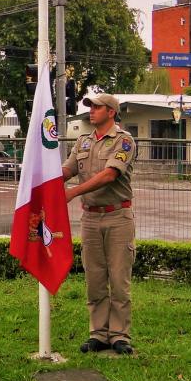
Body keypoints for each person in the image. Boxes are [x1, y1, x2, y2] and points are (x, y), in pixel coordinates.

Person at [62, 93, 137, 355]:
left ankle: (119, 335)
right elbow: (67, 170)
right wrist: (41, 177)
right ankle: (98, 333)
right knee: (94, 278)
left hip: (117, 218)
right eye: (90, 107)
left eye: (96, 107)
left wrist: (74, 192)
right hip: (91, 218)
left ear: (111, 112)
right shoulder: (83, 142)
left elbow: (109, 175)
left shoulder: (124, 141)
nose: (91, 111)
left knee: (118, 279)